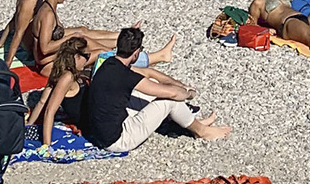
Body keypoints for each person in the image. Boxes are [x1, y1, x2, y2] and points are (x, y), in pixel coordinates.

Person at [82, 27, 230, 151]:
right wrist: (189, 93)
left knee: (150, 87)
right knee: (169, 101)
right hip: (118, 140)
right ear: (136, 53)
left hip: (101, 131)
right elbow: (173, 94)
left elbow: (148, 77)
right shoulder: (126, 75)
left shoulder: (108, 63)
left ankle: (192, 123)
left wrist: (174, 84)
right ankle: (202, 131)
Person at [26, 0, 174, 75]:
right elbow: (44, 49)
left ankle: (132, 54)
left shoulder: (48, 8)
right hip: (48, 65)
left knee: (87, 40)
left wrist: (75, 36)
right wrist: (71, 38)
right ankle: (146, 59)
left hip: (52, 59)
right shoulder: (47, 15)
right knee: (98, 53)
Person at [26, 36, 92, 146]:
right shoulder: (68, 77)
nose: (88, 60)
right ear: (76, 57)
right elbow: (50, 110)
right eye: (87, 56)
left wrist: (29, 125)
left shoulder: (59, 71)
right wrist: (47, 145)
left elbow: (42, 101)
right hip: (88, 121)